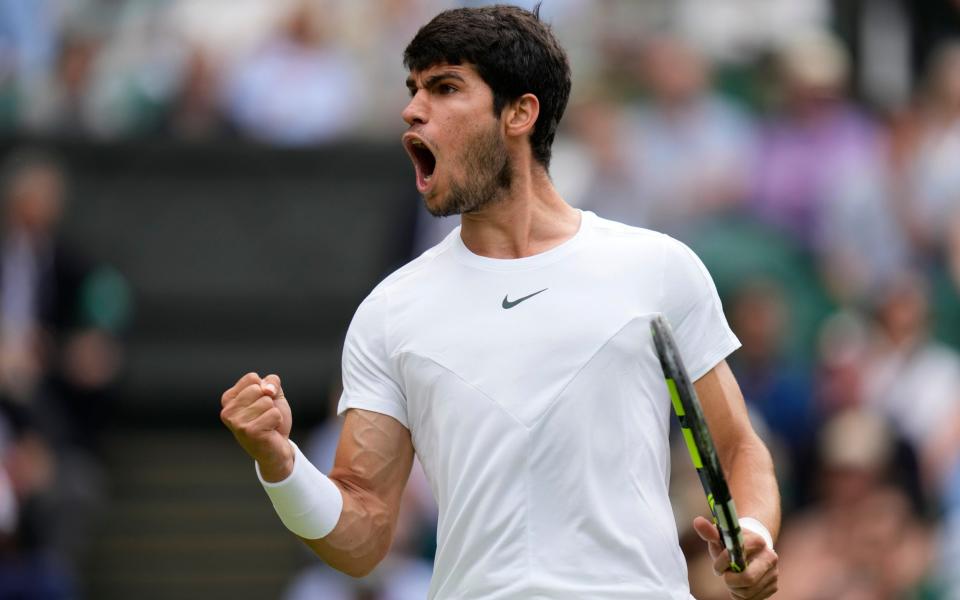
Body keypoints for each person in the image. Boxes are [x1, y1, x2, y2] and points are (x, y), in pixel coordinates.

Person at [220, 6, 780, 599]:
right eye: (413, 90)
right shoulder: (389, 312)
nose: (413, 109)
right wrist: (281, 465)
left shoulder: (660, 268)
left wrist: (750, 529)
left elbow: (737, 447)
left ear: (520, 112)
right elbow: (363, 536)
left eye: (445, 88)